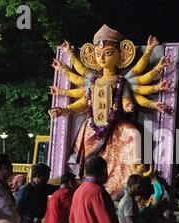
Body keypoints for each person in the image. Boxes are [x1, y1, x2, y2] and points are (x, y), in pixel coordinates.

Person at [48, 25, 172, 199]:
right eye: (98, 54)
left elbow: (128, 99)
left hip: (117, 126)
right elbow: (83, 102)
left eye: (108, 53)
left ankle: (137, 174)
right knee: (85, 151)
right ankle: (80, 180)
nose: (103, 58)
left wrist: (130, 105)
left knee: (134, 134)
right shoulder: (92, 82)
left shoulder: (122, 82)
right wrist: (64, 109)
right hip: (93, 127)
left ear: (120, 55)